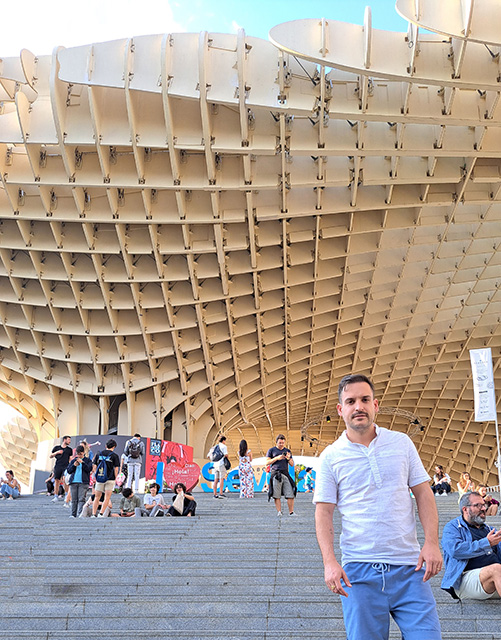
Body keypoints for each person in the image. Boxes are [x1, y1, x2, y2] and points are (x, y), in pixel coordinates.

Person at [314, 373, 442, 640]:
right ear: (340, 409)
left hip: (410, 569)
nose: (358, 406)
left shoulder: (401, 443)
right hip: (359, 573)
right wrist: (329, 562)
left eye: (365, 399)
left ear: (376, 405)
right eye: (350, 401)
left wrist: (431, 543)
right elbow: (323, 512)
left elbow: (423, 493)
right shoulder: (330, 457)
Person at [441, 491, 501, 600]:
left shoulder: (489, 529)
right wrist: (487, 543)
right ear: (465, 509)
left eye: (484, 505)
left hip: (494, 581)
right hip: (466, 578)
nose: (483, 508)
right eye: (478, 505)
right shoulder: (452, 527)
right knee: (496, 570)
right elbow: (455, 550)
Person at [266, 434, 297, 516]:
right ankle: (279, 512)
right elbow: (267, 462)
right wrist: (277, 458)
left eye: (283, 443)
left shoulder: (287, 451)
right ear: (276, 442)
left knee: (290, 493)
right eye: (280, 443)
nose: (281, 444)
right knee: (276, 495)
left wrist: (288, 458)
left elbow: (292, 464)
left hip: (285, 473)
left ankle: (291, 512)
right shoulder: (271, 450)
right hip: (276, 473)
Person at [91, 439, 120, 517]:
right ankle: (101, 513)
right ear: (114, 447)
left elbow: (94, 465)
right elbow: (116, 468)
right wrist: (116, 477)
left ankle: (93, 514)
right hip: (110, 479)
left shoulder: (99, 454)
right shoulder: (115, 456)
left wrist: (95, 475)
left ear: (106, 446)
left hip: (100, 478)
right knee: (107, 497)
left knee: (97, 496)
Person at [66, 444, 93, 518]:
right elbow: (69, 471)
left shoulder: (88, 460)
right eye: (77, 454)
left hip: (83, 482)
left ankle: (80, 514)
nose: (79, 456)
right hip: (73, 482)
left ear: (83, 452)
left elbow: (89, 469)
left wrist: (82, 463)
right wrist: (74, 465)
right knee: (74, 500)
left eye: (80, 454)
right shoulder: (73, 460)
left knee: (81, 499)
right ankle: (73, 514)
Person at [49, 435, 72, 502]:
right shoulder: (57, 448)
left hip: (66, 466)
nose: (69, 441)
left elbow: (70, 459)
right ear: (64, 440)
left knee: (65, 480)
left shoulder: (69, 450)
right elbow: (51, 456)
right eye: (68, 440)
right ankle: (55, 496)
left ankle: (66, 495)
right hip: (58, 466)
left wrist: (70, 466)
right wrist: (57, 452)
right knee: (57, 480)